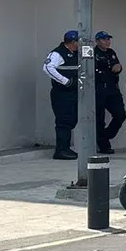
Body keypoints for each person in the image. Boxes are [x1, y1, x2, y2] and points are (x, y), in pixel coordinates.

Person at [44, 29, 80, 160]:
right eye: (78, 41)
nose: (79, 45)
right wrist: (65, 81)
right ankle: (61, 150)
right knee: (63, 121)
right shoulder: (57, 53)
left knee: (72, 119)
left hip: (73, 93)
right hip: (62, 94)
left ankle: (65, 147)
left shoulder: (76, 54)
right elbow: (47, 68)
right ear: (72, 42)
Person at [93, 31, 126, 153]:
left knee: (120, 115)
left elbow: (116, 66)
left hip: (112, 89)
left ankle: (105, 135)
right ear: (97, 41)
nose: (107, 41)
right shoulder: (93, 53)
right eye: (104, 39)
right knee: (99, 119)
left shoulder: (111, 53)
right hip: (99, 89)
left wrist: (119, 68)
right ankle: (103, 145)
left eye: (108, 39)